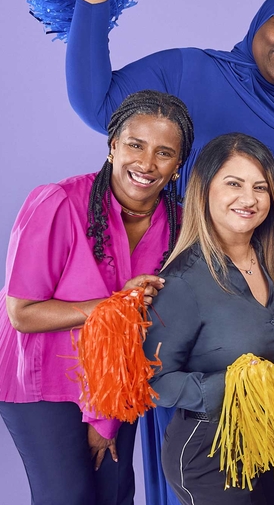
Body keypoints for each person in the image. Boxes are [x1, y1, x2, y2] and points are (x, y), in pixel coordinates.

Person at [68, 0, 274, 504]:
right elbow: (96, 104)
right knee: (213, 453)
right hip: (209, 289)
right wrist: (92, 3)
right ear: (255, 25)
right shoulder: (193, 72)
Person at [0, 90, 194, 505]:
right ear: (112, 147)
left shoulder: (181, 227)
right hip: (42, 375)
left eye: (164, 153)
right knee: (67, 496)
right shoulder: (57, 203)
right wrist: (115, 305)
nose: (146, 164)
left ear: (178, 167)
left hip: (118, 379)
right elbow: (23, 313)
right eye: (135, 145)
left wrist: (105, 420)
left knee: (115, 494)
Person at [142, 133, 274, 505]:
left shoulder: (273, 258)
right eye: (233, 183)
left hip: (267, 447)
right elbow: (153, 383)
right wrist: (240, 386)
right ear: (204, 190)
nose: (248, 199)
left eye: (260, 187)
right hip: (209, 456)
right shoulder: (182, 281)